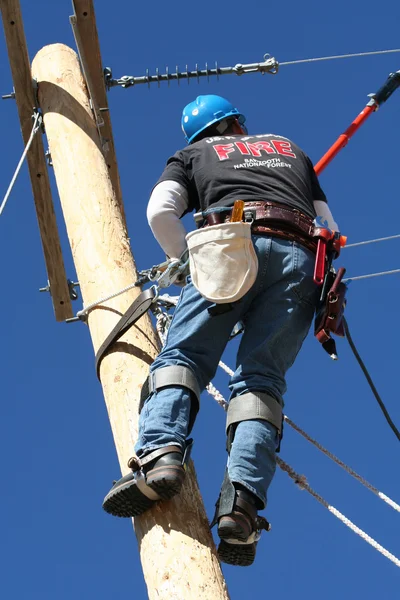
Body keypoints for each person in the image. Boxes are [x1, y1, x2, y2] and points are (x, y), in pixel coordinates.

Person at [102, 95, 338, 566]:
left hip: (228, 243)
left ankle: (160, 457)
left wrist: (188, 264)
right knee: (261, 380)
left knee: (183, 357)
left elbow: (159, 211)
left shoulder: (191, 156)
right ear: (235, 123)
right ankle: (243, 507)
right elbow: (329, 226)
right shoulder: (289, 148)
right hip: (302, 261)